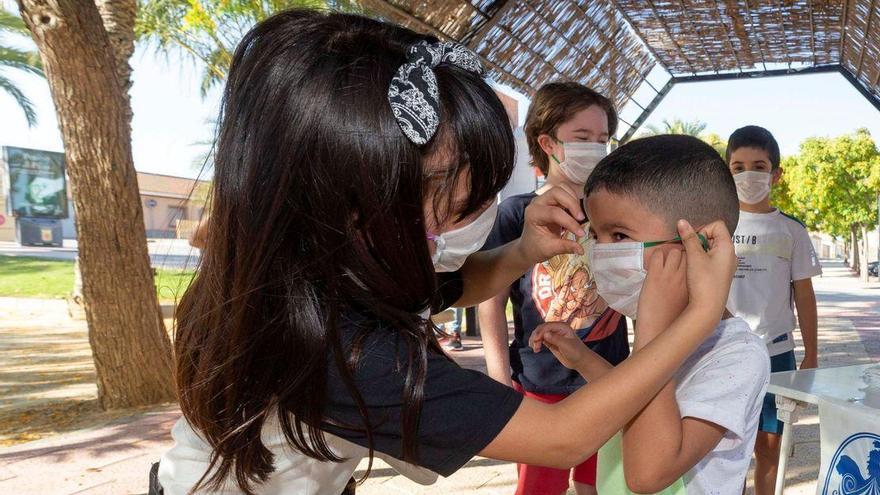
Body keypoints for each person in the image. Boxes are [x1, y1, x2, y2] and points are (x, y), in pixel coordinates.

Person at [151, 10, 738, 495]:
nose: (479, 216)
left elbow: (457, 284)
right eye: (458, 199)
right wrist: (696, 318)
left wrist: (524, 251)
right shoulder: (341, 344)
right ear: (357, 196)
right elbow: (564, 435)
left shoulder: (322, 271)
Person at [531, 135, 770, 494]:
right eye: (596, 236)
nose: (599, 253)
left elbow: (649, 474)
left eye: (620, 235)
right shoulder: (656, 326)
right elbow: (635, 395)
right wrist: (582, 360)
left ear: (699, 243)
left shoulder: (738, 356)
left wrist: (653, 331)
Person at [478, 82, 629, 495]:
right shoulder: (516, 213)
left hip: (607, 377)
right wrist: (498, 373)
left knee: (600, 485)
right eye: (582, 138)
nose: (595, 148)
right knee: (539, 488)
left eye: (602, 140)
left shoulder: (617, 212)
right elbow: (489, 301)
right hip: (540, 381)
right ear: (547, 141)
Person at [724, 125, 822, 495]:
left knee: (770, 447)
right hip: (723, 353)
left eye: (759, 166)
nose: (748, 174)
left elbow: (804, 293)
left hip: (776, 355)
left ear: (775, 174)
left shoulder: (791, 231)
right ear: (727, 172)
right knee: (725, 446)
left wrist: (811, 354)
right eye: (738, 166)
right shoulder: (715, 228)